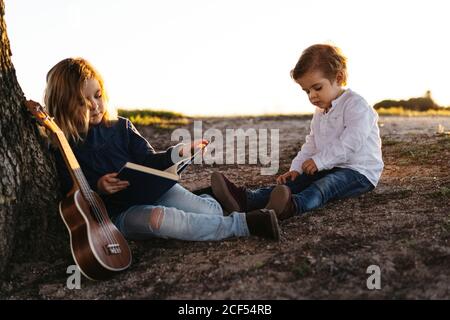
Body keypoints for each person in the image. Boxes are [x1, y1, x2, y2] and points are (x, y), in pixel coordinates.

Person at [43, 57, 280, 241]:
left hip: (155, 191)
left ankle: (210, 198)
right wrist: (99, 188)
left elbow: (148, 160)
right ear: (63, 104)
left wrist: (178, 153)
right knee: (158, 220)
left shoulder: (121, 126)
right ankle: (244, 225)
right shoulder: (63, 146)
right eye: (84, 102)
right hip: (118, 215)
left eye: (98, 96)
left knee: (212, 213)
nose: (95, 106)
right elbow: (69, 192)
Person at [211, 44, 384, 220]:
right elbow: (312, 143)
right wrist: (296, 169)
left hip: (359, 172)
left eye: (317, 88)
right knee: (298, 182)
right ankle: (247, 199)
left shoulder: (356, 105)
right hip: (330, 165)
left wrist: (320, 161)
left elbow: (351, 143)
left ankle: (291, 206)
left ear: (338, 78)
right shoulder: (320, 112)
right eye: (307, 91)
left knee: (324, 186)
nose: (312, 96)